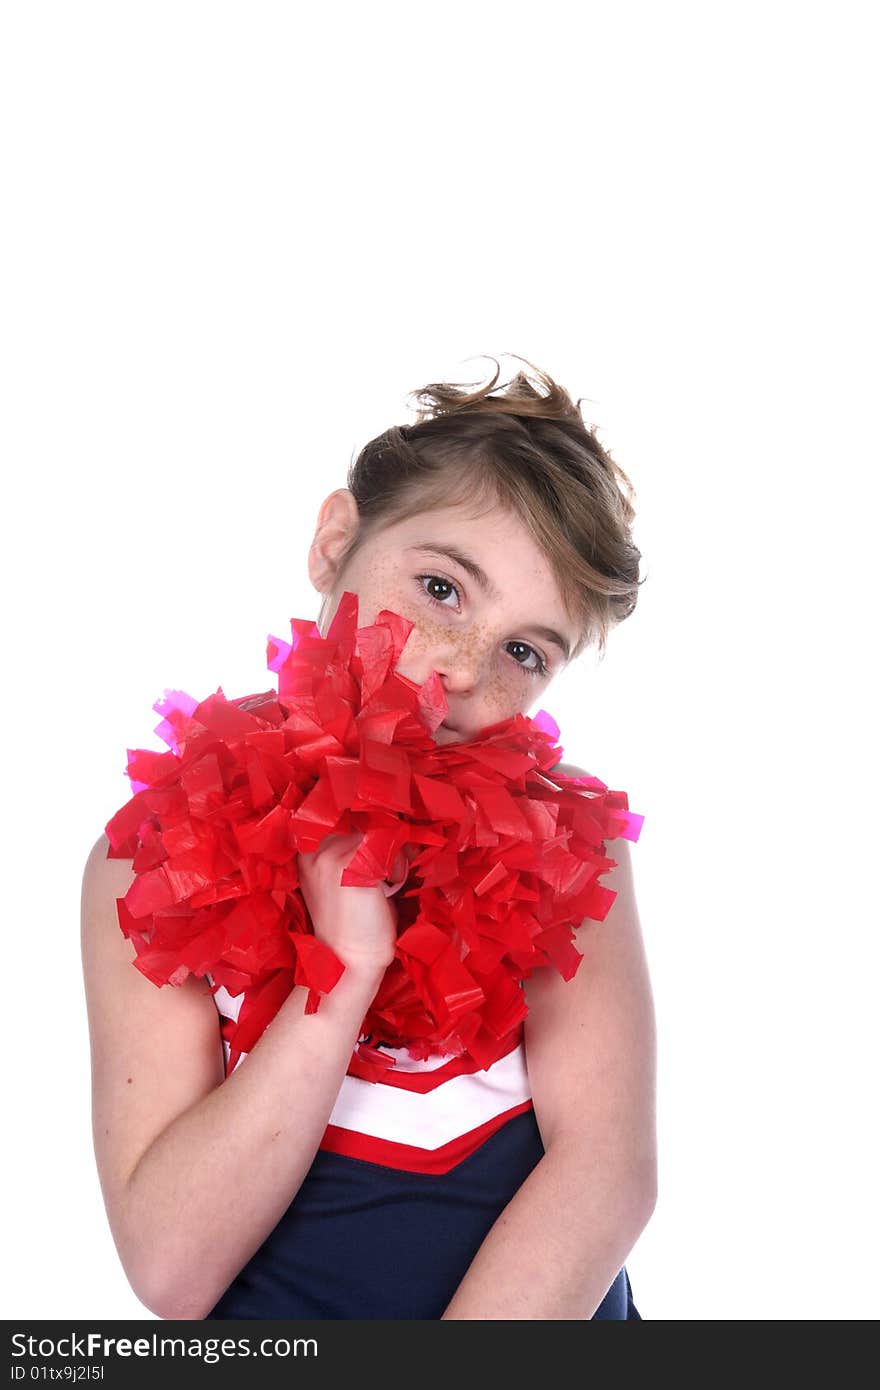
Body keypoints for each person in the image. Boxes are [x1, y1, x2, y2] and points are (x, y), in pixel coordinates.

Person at [81, 353, 657, 1320]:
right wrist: (342, 974)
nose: (465, 671)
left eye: (525, 651)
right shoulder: (153, 855)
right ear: (334, 540)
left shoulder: (567, 838)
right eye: (440, 588)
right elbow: (172, 1273)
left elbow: (609, 1178)